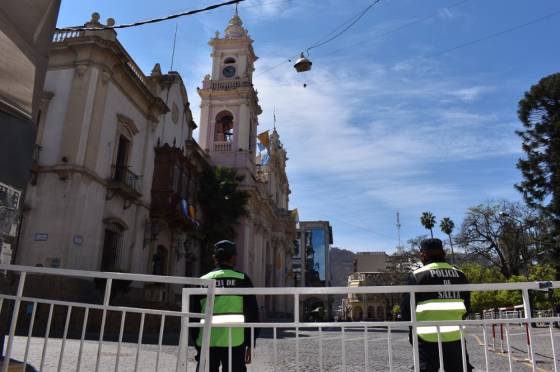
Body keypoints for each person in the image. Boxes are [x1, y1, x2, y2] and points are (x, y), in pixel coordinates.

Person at [401, 238, 473, 372]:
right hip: (455, 335)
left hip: (426, 336)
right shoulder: (460, 275)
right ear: (443, 253)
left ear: (423, 254)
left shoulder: (417, 276)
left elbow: (406, 312)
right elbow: (467, 307)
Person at [191, 240, 259, 372]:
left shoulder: (203, 280)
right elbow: (252, 314)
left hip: (207, 340)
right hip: (235, 341)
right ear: (233, 258)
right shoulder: (243, 280)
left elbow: (193, 316)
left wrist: (197, 343)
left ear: (214, 258)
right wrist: (250, 344)